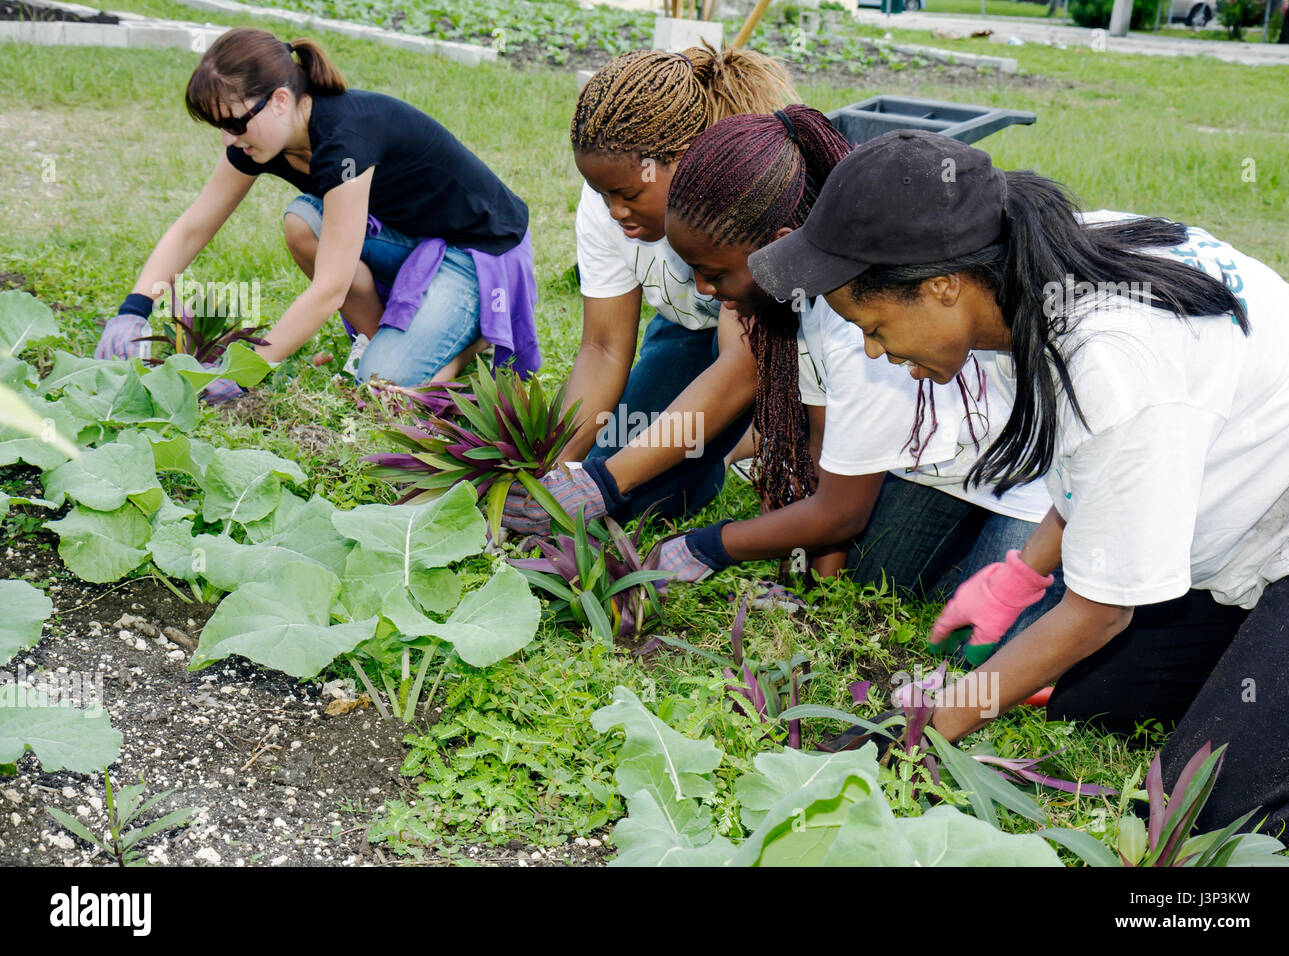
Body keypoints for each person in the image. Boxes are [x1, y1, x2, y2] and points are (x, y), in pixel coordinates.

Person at [750, 128, 1289, 841]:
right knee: (1093, 703)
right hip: (1251, 525)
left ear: (942, 285)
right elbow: (1094, 476)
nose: (874, 351)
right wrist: (1019, 575)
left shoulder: (1112, 363)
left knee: (1206, 819)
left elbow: (1101, 611)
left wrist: (927, 727)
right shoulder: (1028, 275)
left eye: (877, 326)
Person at [653, 109, 1060, 652]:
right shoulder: (825, 304)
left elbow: (841, 509)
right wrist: (813, 584)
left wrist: (709, 545)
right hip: (946, 466)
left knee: (977, 649)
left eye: (716, 272)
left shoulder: (859, 318)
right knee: (876, 583)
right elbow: (830, 460)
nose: (705, 290)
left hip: (1040, 484)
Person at [95, 28, 539, 397]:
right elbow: (194, 227)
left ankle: (469, 344)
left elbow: (328, 290)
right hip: (412, 236)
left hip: (479, 250)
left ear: (281, 100)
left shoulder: (345, 142)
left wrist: (248, 370)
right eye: (221, 128)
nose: (229, 140)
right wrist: (133, 309)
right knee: (303, 221)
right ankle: (378, 338)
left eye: (234, 124)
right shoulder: (261, 136)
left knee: (380, 384)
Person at [501, 44, 796, 531]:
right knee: (619, 474)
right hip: (687, 332)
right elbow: (603, 348)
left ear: (684, 160)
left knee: (637, 490)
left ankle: (758, 433)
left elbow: (739, 367)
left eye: (630, 194)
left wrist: (603, 482)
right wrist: (551, 472)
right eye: (603, 194)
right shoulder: (608, 202)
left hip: (774, 343)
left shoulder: (740, 190)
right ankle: (737, 437)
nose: (615, 211)